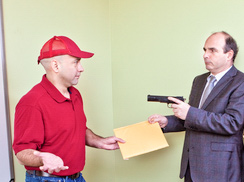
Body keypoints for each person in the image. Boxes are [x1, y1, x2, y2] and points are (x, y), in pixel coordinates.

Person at [12, 35, 125, 182]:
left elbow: (77, 129)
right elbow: (22, 153)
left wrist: (100, 142)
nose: (81, 68)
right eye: (76, 62)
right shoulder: (32, 102)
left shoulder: (75, 94)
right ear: (56, 66)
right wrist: (43, 159)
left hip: (76, 177)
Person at [148, 31, 244, 182]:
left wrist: (189, 113)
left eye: (212, 50)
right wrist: (167, 122)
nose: (205, 55)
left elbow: (232, 123)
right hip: (192, 166)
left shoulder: (240, 82)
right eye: (205, 50)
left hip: (222, 169)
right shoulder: (199, 81)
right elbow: (192, 119)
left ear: (229, 54)